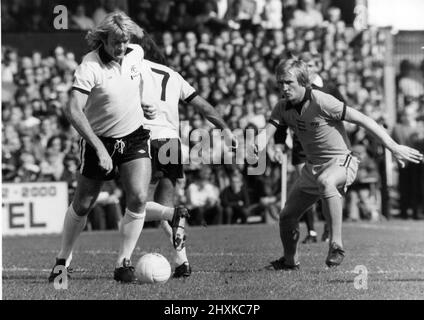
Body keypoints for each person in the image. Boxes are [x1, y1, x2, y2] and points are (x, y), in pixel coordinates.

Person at [48, 12, 188, 284]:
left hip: (135, 136)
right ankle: (63, 258)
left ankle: (123, 262)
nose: (122, 47)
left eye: (125, 41)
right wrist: (99, 148)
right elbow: (72, 109)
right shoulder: (89, 67)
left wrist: (141, 103)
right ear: (102, 39)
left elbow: (131, 85)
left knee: (137, 197)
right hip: (100, 140)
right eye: (116, 42)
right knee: (84, 203)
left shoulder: (135, 53)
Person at [259, 58, 423, 270]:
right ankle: (290, 261)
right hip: (312, 168)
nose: (284, 87)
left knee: (327, 182)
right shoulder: (282, 107)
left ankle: (336, 245)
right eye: (280, 83)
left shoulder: (322, 101)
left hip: (341, 162)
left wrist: (393, 146)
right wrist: (257, 146)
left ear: (302, 81)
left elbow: (364, 120)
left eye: (289, 82)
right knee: (287, 217)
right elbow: (267, 133)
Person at [137, 32, 237, 277]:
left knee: (135, 204)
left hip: (144, 139)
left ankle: (123, 263)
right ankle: (182, 263)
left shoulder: (134, 70)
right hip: (171, 142)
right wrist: (225, 129)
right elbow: (202, 105)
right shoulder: (173, 75)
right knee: (163, 207)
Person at [274, 52, 345, 243]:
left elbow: (346, 112)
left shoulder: (328, 90)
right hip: (301, 147)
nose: (309, 68)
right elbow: (280, 119)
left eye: (312, 65)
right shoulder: (290, 88)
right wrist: (278, 145)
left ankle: (331, 231)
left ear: (319, 66)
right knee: (307, 190)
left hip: (327, 150)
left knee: (326, 187)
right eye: (306, 65)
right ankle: (312, 231)